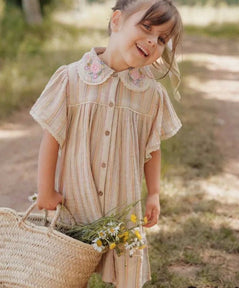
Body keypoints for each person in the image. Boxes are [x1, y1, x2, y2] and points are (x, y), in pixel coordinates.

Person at [30, 0, 183, 287]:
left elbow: (152, 150)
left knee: (127, 273)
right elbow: (51, 137)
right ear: (116, 22)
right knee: (66, 276)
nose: (152, 41)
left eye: (162, 39)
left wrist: (153, 194)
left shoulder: (150, 94)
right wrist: (45, 190)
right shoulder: (72, 78)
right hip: (75, 204)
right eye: (147, 27)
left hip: (122, 208)